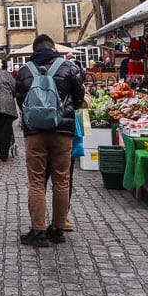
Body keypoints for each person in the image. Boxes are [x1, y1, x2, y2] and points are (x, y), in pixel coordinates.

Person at [14, 33, 86, 247]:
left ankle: (38, 230)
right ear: (54, 48)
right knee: (61, 180)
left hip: (35, 132)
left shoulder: (25, 70)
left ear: (34, 50)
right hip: (62, 132)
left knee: (36, 181)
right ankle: (57, 228)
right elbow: (79, 96)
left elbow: (20, 98)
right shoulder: (68, 67)